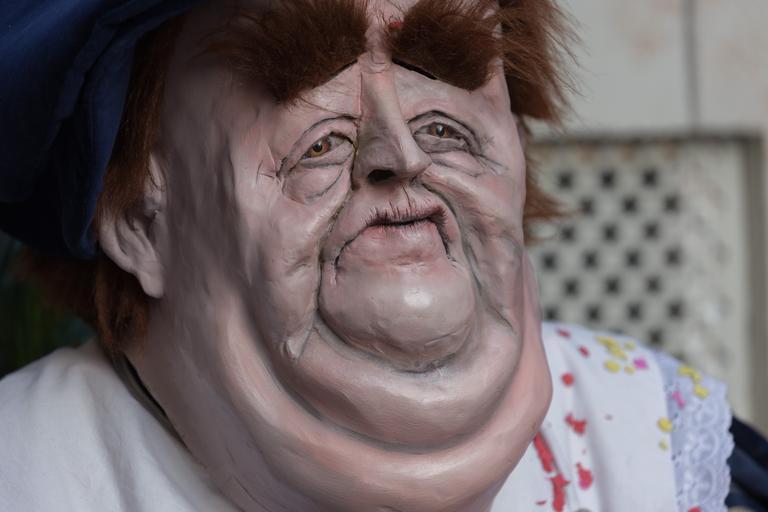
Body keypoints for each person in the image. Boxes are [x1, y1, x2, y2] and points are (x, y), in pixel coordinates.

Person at [0, 1, 764, 510]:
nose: (399, 155)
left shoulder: (648, 444)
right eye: (320, 142)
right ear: (141, 220)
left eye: (444, 127)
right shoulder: (29, 470)